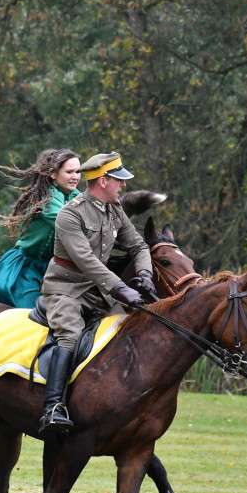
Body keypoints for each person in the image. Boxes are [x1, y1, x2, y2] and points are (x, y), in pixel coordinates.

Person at [37, 151, 156, 434]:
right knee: (69, 335)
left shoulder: (114, 210)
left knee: (129, 330)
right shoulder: (70, 214)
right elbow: (86, 261)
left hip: (98, 291)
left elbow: (138, 245)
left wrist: (145, 274)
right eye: (119, 180)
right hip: (65, 290)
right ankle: (52, 407)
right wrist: (121, 288)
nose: (123, 185)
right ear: (103, 181)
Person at [0, 149, 82, 309]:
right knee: (29, 315)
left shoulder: (76, 196)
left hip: (53, 270)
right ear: (53, 173)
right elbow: (70, 224)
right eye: (69, 172)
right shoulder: (47, 198)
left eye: (78, 172)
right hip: (25, 269)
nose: (75, 176)